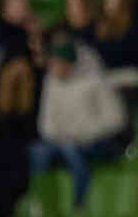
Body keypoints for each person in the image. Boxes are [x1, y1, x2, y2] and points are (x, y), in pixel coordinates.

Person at [28, 39, 127, 206]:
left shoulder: (95, 81)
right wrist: (60, 136)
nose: (53, 67)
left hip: (97, 141)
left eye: (57, 63)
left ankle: (78, 203)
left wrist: (83, 134)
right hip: (62, 140)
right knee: (37, 151)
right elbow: (46, 123)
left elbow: (117, 119)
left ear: (69, 63)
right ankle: (40, 202)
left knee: (72, 150)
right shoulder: (50, 83)